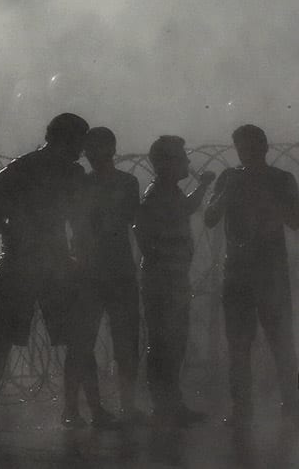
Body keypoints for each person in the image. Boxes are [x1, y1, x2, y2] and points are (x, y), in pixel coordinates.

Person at [0, 113, 89, 431]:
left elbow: (79, 218)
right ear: (63, 140)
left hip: (49, 263)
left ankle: (68, 409)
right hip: (24, 263)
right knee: (4, 338)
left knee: (72, 337)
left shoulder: (66, 171)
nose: (81, 149)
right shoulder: (24, 168)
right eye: (77, 142)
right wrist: (11, 231)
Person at [204, 125, 299, 427]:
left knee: (281, 341)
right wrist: (227, 194)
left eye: (252, 148)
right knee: (239, 344)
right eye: (242, 149)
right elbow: (209, 218)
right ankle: (242, 407)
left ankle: (291, 403)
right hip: (239, 274)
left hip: (270, 273)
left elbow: (296, 221)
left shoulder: (280, 180)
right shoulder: (230, 178)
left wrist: (273, 202)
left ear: (264, 148)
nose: (247, 154)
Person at [134, 135, 214, 426]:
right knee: (165, 341)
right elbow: (144, 235)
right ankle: (164, 404)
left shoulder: (169, 191)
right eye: (182, 157)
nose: (188, 162)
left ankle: (170, 403)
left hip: (172, 279)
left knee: (174, 341)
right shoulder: (157, 195)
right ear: (168, 163)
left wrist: (203, 186)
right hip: (164, 281)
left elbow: (185, 209)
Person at [63, 127, 141, 428]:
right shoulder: (117, 183)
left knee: (116, 342)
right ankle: (77, 409)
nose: (92, 154)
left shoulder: (96, 184)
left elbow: (106, 222)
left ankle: (119, 407)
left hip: (105, 269)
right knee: (86, 342)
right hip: (97, 270)